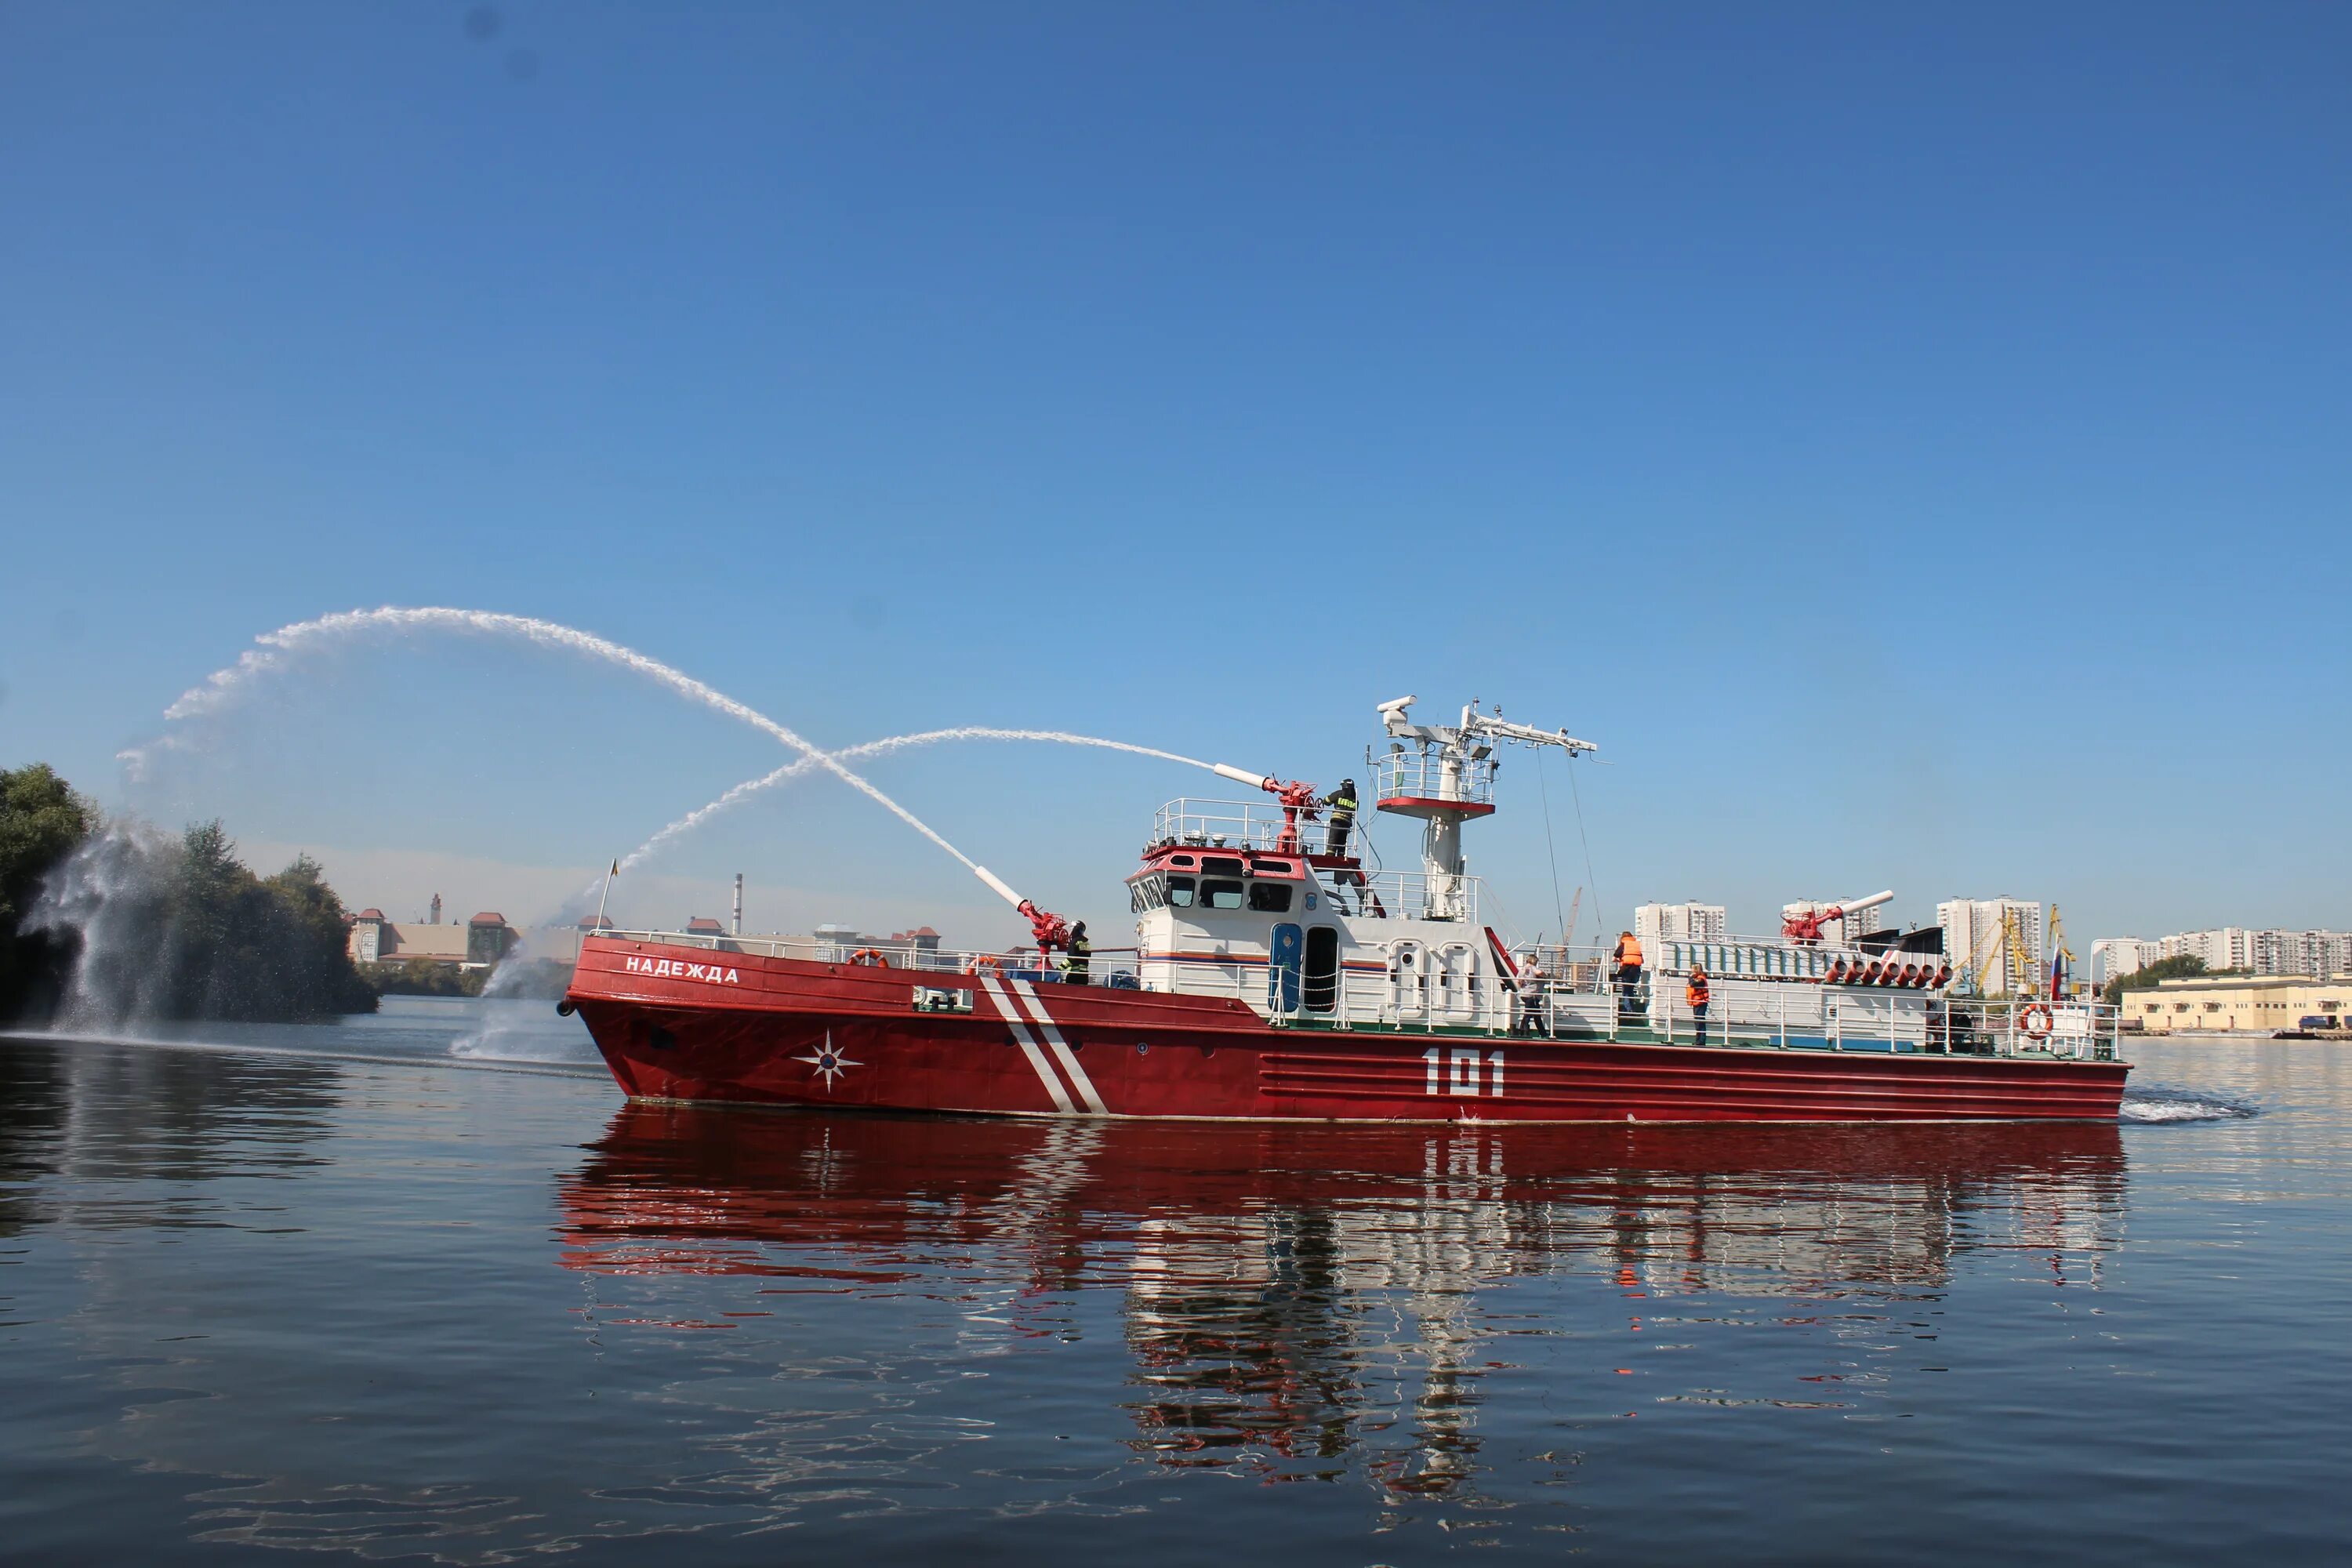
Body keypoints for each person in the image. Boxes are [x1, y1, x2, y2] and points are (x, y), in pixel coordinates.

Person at [1321, 779, 1359, 860]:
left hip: (1337, 821)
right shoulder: (1355, 799)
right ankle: (1341, 855)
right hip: (1346, 823)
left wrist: (1324, 801)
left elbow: (1326, 801)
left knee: (1333, 838)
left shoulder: (1339, 794)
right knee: (1342, 840)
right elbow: (1355, 809)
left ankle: (1330, 856)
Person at [1612, 930, 1644, 1021]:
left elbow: (1613, 959)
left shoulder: (1623, 945)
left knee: (1626, 990)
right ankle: (1631, 1008)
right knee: (1631, 990)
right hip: (1636, 971)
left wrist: (1621, 960)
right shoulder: (1636, 947)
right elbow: (1642, 960)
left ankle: (1629, 1010)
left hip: (1626, 970)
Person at [1061, 920, 1092, 985]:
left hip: (1073, 975)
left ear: (1075, 929)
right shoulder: (1086, 942)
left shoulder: (1074, 942)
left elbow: (1071, 959)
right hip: (1084, 975)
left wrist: (1058, 969)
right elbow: (1087, 956)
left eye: (1072, 929)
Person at [1686, 963, 1711, 1045]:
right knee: (1697, 1022)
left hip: (1701, 1003)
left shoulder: (1701, 979)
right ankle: (1698, 1040)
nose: (1691, 971)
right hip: (1697, 1003)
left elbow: (1693, 984)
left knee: (1700, 1022)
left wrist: (1690, 978)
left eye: (1693, 969)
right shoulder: (1698, 978)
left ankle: (1701, 1041)